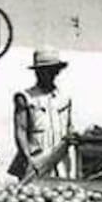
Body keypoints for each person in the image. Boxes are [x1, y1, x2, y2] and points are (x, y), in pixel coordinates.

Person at [8, 46, 73, 180]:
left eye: (52, 71)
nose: (48, 74)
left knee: (63, 195)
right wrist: (27, 157)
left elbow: (69, 126)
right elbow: (21, 129)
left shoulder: (64, 97)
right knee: (33, 195)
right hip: (37, 158)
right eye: (43, 71)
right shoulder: (25, 97)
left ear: (57, 72)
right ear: (37, 72)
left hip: (60, 159)